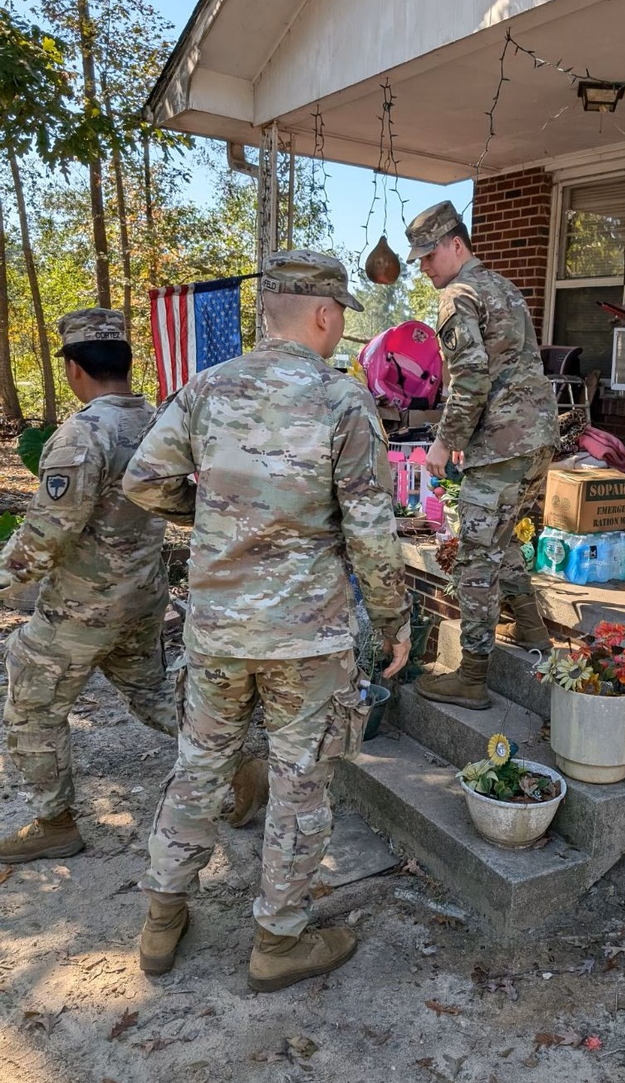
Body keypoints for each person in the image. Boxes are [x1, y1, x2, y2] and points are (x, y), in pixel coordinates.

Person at [123, 250, 411, 993]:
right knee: (298, 785)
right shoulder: (343, 402)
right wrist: (395, 619)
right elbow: (374, 536)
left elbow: (143, 481)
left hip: (217, 628)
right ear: (324, 313)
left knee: (198, 768)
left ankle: (161, 922)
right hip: (305, 640)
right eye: (343, 313)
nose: (341, 324)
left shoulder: (206, 388)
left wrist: (219, 517)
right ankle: (277, 943)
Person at [0, 308, 176, 863]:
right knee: (150, 691)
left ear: (75, 368)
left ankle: (55, 823)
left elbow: (46, 537)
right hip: (144, 595)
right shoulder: (158, 423)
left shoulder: (81, 434)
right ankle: (239, 762)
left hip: (84, 607)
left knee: (31, 701)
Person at [405, 201, 559, 710]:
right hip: (536, 439)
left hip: (500, 445)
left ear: (456, 244)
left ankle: (471, 677)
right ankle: (536, 636)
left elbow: (469, 379)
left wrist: (444, 442)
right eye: (419, 259)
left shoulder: (458, 295)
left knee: (474, 557)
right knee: (499, 538)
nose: (425, 267)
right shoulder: (504, 287)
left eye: (429, 256)